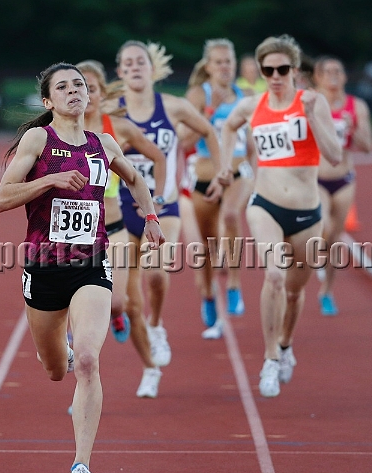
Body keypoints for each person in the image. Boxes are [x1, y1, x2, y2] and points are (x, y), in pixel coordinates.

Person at [0, 62, 164, 473]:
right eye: (63, 87)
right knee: (55, 370)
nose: (74, 92)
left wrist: (150, 216)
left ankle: (81, 467)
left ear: (89, 96)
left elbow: (135, 178)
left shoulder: (103, 143)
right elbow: (1, 197)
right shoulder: (38, 139)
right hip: (43, 268)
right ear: (49, 101)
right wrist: (49, 179)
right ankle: (60, 354)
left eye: (80, 86)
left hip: (92, 264)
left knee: (89, 361)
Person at [219, 35, 342, 398]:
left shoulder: (313, 101)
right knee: (273, 276)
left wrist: (310, 119)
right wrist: (228, 164)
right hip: (266, 206)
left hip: (307, 213)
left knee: (294, 291)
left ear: (295, 70)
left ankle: (286, 345)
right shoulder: (252, 105)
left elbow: (334, 155)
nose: (274, 75)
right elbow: (228, 127)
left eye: (282, 69)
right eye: (267, 69)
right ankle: (270, 358)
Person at [115, 40, 223, 364]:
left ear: (152, 69)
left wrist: (221, 171)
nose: (135, 67)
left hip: (164, 205)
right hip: (121, 205)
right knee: (123, 293)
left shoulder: (173, 107)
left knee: (156, 272)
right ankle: (120, 314)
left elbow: (208, 131)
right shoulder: (111, 110)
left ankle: (156, 325)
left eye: (140, 62)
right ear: (120, 72)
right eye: (128, 63)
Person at [77, 59, 169, 398]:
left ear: (101, 92)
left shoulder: (117, 129)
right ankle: (83, 382)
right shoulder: (53, 131)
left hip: (113, 225)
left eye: (91, 88)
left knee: (122, 303)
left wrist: (157, 199)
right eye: (77, 88)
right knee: (74, 306)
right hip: (73, 231)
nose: (84, 95)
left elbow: (157, 157)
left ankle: (121, 325)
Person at [183, 38, 256, 338]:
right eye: (219, 62)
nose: (225, 67)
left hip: (238, 172)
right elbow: (184, 140)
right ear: (209, 66)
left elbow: (253, 143)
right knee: (207, 247)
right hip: (203, 175)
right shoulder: (199, 94)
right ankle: (209, 294)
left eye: (229, 61)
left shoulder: (247, 95)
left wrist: (258, 173)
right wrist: (206, 119)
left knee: (229, 215)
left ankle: (236, 285)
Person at [312, 56, 372, 315]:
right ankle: (315, 257)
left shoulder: (355, 106)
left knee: (335, 240)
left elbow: (368, 147)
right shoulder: (312, 103)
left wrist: (353, 128)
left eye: (338, 70)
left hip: (344, 178)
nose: (333, 75)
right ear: (319, 77)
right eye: (328, 71)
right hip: (317, 177)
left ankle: (327, 290)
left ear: (345, 76)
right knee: (324, 227)